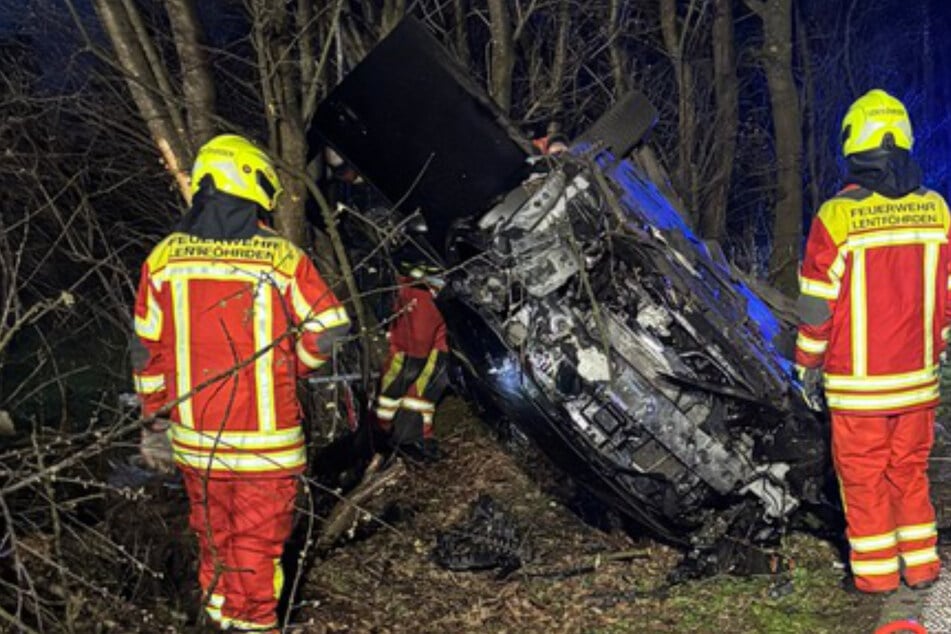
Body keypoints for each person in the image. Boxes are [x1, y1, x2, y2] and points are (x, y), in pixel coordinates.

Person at [132, 134, 350, 631]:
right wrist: (292, 367)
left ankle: (218, 623)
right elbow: (330, 327)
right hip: (265, 448)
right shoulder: (279, 258)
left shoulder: (163, 260)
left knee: (215, 546)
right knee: (255, 556)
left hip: (194, 443)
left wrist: (155, 421)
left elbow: (148, 351)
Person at [795, 89, 949, 594]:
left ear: (852, 146)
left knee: (863, 479)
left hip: (858, 388)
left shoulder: (837, 217)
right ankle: (923, 567)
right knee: (909, 472)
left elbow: (817, 305)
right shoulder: (937, 210)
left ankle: (877, 577)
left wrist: (807, 363)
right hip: (918, 382)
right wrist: (936, 351)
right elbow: (946, 298)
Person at [373, 261, 449, 460]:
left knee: (438, 370)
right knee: (408, 365)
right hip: (421, 289)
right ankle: (379, 432)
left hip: (454, 293)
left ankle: (412, 435)